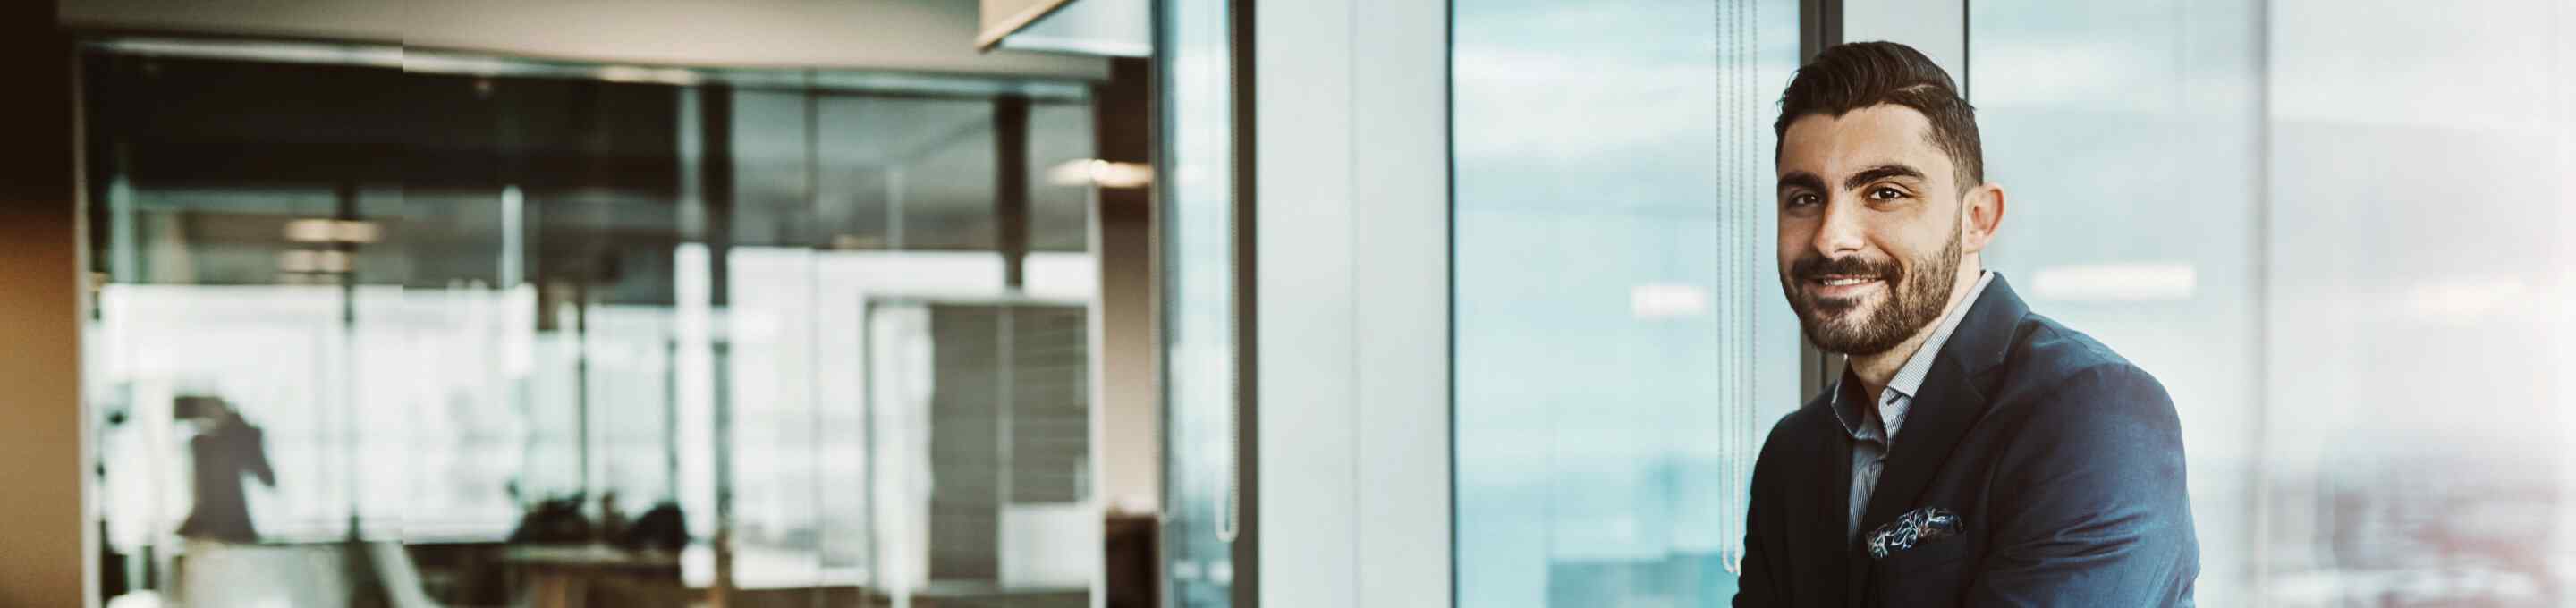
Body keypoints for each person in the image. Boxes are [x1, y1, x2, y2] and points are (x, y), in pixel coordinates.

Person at [1733, 41, 2198, 606]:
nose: (1832, 237)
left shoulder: (2095, 412)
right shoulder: (1794, 452)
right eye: (1805, 197)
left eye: (1885, 193)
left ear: (1978, 219)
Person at [175, 396, 275, 543]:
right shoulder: (200, 444)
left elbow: (267, 478)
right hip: (213, 530)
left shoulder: (239, 438)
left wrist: (246, 437)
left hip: (233, 530)